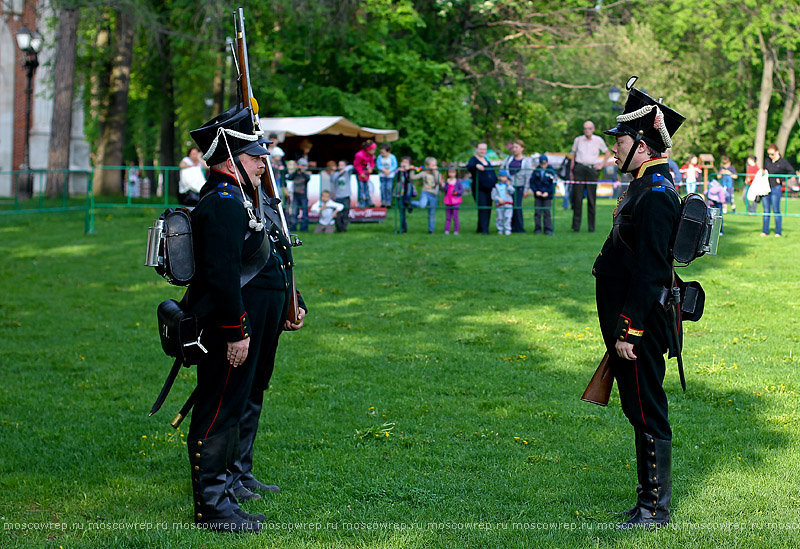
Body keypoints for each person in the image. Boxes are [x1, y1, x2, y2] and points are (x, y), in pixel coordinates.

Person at [185, 104, 307, 533]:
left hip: (256, 316)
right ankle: (213, 507)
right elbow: (220, 276)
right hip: (231, 324)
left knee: (239, 401)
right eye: (255, 156)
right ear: (228, 159)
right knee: (218, 410)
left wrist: (294, 299)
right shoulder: (221, 202)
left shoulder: (243, 197)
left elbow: (273, 252)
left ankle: (232, 482)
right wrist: (237, 331)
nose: (263, 162)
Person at [595, 78, 686, 529]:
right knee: (637, 407)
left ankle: (655, 509)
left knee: (647, 408)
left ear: (645, 145)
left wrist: (629, 329)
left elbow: (651, 271)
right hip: (632, 319)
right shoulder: (644, 184)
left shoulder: (653, 195)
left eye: (622, 141)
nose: (614, 149)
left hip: (641, 324)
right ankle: (646, 501)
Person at [570, 121, 610, 232]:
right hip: (579, 169)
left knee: (592, 200)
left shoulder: (598, 140)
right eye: (585, 128)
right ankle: (576, 227)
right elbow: (573, 156)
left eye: (589, 128)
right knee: (577, 199)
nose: (587, 130)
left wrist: (601, 164)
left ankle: (591, 227)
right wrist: (571, 171)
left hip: (592, 170)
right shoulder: (578, 140)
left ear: (593, 129)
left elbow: (607, 153)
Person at [500, 139, 533, 233]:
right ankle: (509, 226)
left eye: (516, 147)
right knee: (508, 206)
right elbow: (503, 169)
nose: (514, 149)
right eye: (513, 147)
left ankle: (519, 227)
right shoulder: (508, 159)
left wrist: (526, 189)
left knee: (517, 206)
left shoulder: (526, 161)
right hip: (508, 186)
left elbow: (528, 176)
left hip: (520, 186)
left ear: (522, 148)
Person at [762, 144, 794, 237]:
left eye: (772, 154)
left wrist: (781, 179)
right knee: (766, 210)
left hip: (776, 188)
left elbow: (791, 171)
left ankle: (778, 232)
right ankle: (765, 231)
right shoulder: (767, 161)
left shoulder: (783, 162)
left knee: (776, 210)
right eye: (769, 154)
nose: (770, 156)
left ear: (777, 152)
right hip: (766, 188)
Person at [467, 143, 497, 234]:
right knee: (483, 208)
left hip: (490, 188)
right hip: (480, 188)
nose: (482, 151)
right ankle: (484, 230)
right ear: (477, 149)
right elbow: (469, 167)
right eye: (481, 149)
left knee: (488, 208)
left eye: (484, 149)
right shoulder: (473, 159)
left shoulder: (486, 159)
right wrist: (476, 166)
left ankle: (482, 228)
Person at [410, 157, 441, 234]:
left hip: (433, 194)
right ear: (427, 166)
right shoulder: (423, 173)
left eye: (435, 165)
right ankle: (411, 203)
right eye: (432, 165)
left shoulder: (437, 173)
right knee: (422, 205)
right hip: (425, 192)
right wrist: (412, 170)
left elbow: (438, 181)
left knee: (432, 213)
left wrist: (435, 172)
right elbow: (413, 177)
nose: (434, 167)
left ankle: (431, 230)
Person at [529, 154, 556, 235]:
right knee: (537, 212)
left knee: (547, 212)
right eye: (542, 163)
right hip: (538, 195)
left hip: (547, 196)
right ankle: (537, 228)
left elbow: (553, 184)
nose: (543, 165)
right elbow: (532, 182)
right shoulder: (536, 171)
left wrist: (548, 192)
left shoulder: (551, 171)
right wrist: (536, 191)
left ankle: (548, 229)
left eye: (545, 163)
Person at [286, 157, 311, 232]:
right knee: (294, 213)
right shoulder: (295, 174)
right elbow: (289, 178)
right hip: (296, 196)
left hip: (303, 196)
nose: (301, 168)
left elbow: (307, 178)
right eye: (301, 166)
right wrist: (296, 171)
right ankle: (293, 228)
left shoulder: (306, 174)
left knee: (305, 213)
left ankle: (304, 228)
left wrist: (302, 172)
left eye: (303, 166)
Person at [331, 160, 353, 232]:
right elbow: (332, 180)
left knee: (345, 214)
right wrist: (337, 173)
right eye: (339, 165)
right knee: (338, 214)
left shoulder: (347, 173)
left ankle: (344, 228)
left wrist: (344, 170)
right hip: (338, 197)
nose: (340, 167)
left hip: (346, 196)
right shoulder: (336, 174)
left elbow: (351, 166)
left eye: (342, 165)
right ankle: (339, 229)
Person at [354, 140, 377, 208]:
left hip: (366, 172)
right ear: (368, 149)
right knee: (361, 188)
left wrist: (371, 167)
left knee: (367, 187)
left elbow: (372, 162)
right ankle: (361, 202)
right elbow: (357, 165)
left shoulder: (371, 155)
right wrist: (361, 173)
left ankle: (368, 201)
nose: (374, 151)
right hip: (359, 172)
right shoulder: (359, 155)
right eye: (373, 149)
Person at [442, 164, 464, 235]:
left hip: (456, 201)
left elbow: (462, 190)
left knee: (455, 216)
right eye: (450, 172)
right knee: (448, 217)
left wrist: (456, 192)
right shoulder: (447, 181)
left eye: (453, 172)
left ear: (456, 173)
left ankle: (456, 230)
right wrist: (446, 184)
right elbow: (444, 190)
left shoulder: (458, 182)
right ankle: (447, 230)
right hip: (448, 201)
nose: (451, 174)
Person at [395, 156, 415, 233]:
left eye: (406, 162)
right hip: (400, 193)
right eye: (403, 162)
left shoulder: (411, 169)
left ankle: (408, 202)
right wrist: (401, 171)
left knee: (409, 185)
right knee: (402, 212)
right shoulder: (398, 170)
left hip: (408, 192)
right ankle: (403, 228)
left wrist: (411, 168)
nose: (404, 164)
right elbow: (394, 174)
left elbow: (420, 168)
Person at [491, 170, 514, 235]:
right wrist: (498, 199)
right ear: (499, 177)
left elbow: (512, 192)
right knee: (499, 217)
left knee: (508, 217)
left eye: (505, 177)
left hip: (508, 204)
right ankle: (500, 229)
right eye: (502, 177)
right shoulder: (496, 186)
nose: (504, 178)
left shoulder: (509, 185)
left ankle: (507, 229)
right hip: (499, 204)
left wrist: (509, 185)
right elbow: (493, 196)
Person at [376, 144, 398, 208]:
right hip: (382, 175)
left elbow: (394, 165)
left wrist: (389, 171)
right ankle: (383, 202)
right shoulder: (379, 157)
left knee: (388, 188)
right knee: (382, 188)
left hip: (390, 175)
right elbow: (378, 165)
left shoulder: (392, 157)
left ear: (388, 152)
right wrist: (384, 170)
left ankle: (388, 202)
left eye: (383, 152)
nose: (382, 154)